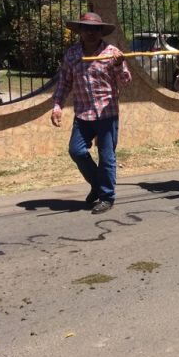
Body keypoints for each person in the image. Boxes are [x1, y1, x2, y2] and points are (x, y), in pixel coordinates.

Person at [50, 12, 132, 214]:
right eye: (86, 28)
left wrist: (119, 65)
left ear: (101, 31)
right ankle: (97, 184)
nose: (91, 32)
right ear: (80, 30)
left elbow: (126, 81)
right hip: (83, 115)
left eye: (95, 29)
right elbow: (64, 82)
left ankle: (106, 197)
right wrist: (57, 105)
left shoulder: (112, 53)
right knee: (76, 151)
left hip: (106, 114)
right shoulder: (72, 54)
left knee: (106, 157)